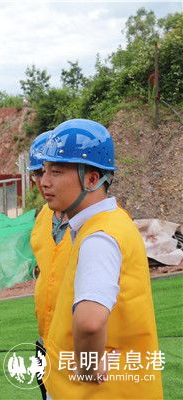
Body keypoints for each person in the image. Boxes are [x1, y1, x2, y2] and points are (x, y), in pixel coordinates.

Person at [39, 120, 162, 398]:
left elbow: (89, 322)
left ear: (92, 179)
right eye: (44, 170)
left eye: (56, 172)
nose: (45, 181)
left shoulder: (99, 238)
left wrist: (87, 369)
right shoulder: (111, 222)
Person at [27, 130, 71, 400]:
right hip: (47, 339)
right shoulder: (44, 215)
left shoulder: (96, 224)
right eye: (38, 173)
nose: (43, 182)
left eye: (53, 172)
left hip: (80, 347)